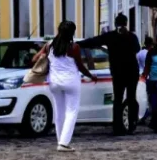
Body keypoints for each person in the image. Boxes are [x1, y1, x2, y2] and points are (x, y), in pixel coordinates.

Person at [32, 21, 97, 152]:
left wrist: (45, 56)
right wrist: (91, 76)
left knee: (59, 112)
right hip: (71, 82)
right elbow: (80, 66)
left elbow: (34, 59)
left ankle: (60, 140)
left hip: (54, 82)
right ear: (72, 32)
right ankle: (63, 143)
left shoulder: (49, 45)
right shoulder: (74, 47)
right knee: (71, 112)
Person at [80, 14, 142, 135]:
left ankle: (122, 126)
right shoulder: (128, 36)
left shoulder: (117, 36)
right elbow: (94, 41)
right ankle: (128, 125)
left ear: (115, 23)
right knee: (126, 98)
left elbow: (94, 41)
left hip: (123, 72)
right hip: (127, 72)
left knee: (121, 99)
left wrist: (79, 44)